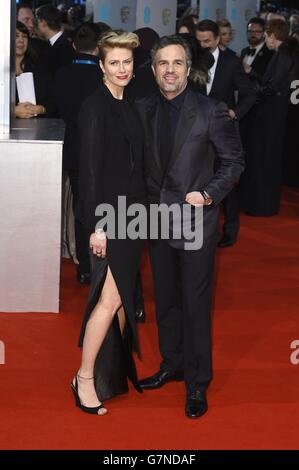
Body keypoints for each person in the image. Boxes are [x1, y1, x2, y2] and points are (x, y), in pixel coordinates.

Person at [135, 35, 244, 418]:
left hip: (196, 222)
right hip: (157, 221)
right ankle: (173, 364)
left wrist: (209, 196)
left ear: (188, 68)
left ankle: (198, 382)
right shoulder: (142, 108)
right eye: (162, 63)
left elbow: (234, 163)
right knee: (165, 300)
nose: (169, 70)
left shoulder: (211, 110)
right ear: (153, 69)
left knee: (196, 305)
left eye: (177, 63)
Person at [72, 30, 146, 415]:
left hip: (135, 217)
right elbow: (90, 174)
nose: (121, 69)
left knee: (121, 302)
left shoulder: (128, 105)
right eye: (114, 62)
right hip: (111, 217)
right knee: (111, 299)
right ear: (101, 66)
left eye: (127, 62)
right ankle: (84, 378)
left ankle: (110, 374)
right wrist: (97, 226)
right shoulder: (95, 107)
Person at [196, 20, 256, 248]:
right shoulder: (194, 61)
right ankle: (200, 228)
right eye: (199, 41)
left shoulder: (231, 62)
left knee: (227, 181)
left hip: (224, 132)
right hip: (198, 131)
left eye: (207, 41)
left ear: (218, 39)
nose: (203, 45)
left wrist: (235, 112)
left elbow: (250, 94)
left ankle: (230, 229)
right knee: (200, 179)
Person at [54, 22, 103, 285]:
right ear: (99, 47)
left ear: (74, 45)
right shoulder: (105, 77)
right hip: (103, 152)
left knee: (81, 207)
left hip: (73, 151)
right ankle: (100, 261)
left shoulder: (62, 74)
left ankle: (84, 263)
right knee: (103, 206)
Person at [239, 20, 299, 216]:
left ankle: (262, 205)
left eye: (267, 35)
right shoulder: (283, 55)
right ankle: (261, 203)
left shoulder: (282, 55)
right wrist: (254, 74)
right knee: (265, 158)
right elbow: (272, 82)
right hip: (272, 114)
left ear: (273, 35)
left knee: (265, 158)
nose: (266, 39)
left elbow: (273, 86)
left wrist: (255, 97)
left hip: (271, 115)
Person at [15, 21, 56, 119]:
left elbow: (54, 100)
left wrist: (42, 109)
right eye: (16, 36)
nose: (21, 40)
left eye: (24, 36)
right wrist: (12, 111)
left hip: (37, 127)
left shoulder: (38, 67)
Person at [36, 4, 75, 76]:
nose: (35, 26)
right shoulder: (50, 44)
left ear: (43, 22)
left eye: (37, 22)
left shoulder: (65, 47)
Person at [241, 17, 274, 85]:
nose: (253, 34)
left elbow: (270, 79)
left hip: (260, 94)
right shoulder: (244, 51)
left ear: (264, 33)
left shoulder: (270, 53)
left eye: (257, 31)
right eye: (250, 31)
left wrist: (250, 71)